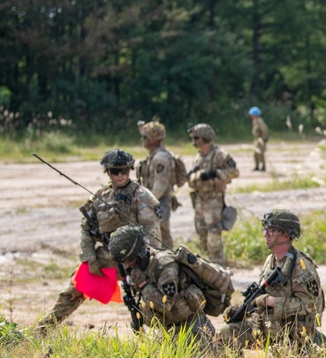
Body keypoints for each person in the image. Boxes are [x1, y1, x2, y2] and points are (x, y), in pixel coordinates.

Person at [36, 149, 160, 335]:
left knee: (152, 299)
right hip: (107, 255)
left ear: (130, 170)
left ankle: (167, 338)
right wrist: (90, 259)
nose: (119, 176)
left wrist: (144, 265)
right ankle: (41, 331)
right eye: (114, 171)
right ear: (107, 173)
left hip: (136, 257)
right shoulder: (100, 196)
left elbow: (151, 235)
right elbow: (86, 228)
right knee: (74, 289)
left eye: (124, 171)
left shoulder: (142, 196)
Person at [214, 209, 326, 353]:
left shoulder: (301, 266)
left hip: (293, 333)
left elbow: (310, 305)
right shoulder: (270, 261)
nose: (265, 234)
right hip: (267, 326)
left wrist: (271, 302)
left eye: (272, 230)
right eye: (265, 229)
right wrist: (243, 310)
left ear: (286, 234)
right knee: (224, 333)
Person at [108, 225, 221, 356]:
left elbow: (165, 304)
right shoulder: (138, 268)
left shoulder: (164, 266)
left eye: (129, 260)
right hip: (169, 331)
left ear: (139, 254)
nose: (127, 265)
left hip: (193, 328)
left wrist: (143, 286)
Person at [187, 123, 239, 265]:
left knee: (214, 236)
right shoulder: (198, 157)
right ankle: (207, 267)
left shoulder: (220, 155)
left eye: (196, 138)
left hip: (213, 200)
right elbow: (190, 178)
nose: (194, 141)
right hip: (199, 200)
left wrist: (216, 173)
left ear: (205, 137)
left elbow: (235, 171)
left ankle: (219, 267)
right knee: (202, 234)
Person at [136, 120, 178, 248]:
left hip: (159, 203)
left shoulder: (160, 158)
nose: (142, 140)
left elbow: (161, 184)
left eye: (145, 137)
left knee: (162, 237)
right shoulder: (153, 156)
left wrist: (148, 201)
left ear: (153, 140)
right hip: (155, 202)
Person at [249, 106, 270, 172]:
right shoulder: (255, 121)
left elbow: (264, 130)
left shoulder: (259, 121)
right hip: (257, 139)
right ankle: (257, 166)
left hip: (260, 140)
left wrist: (263, 139)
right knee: (255, 154)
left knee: (260, 153)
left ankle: (263, 166)